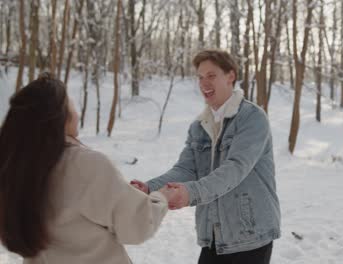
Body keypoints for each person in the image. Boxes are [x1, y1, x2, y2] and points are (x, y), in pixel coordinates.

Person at [0, 73, 171, 264]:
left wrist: (120, 193)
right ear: (60, 116)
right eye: (71, 103)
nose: (76, 111)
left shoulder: (14, 169)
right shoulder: (85, 165)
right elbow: (137, 224)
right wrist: (162, 198)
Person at [131, 49, 281, 264]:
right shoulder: (199, 127)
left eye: (211, 76)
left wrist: (190, 193)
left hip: (250, 235)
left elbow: (235, 168)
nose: (204, 83)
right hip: (214, 235)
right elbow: (185, 169)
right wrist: (148, 188)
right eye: (200, 77)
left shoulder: (252, 118)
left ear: (230, 76)